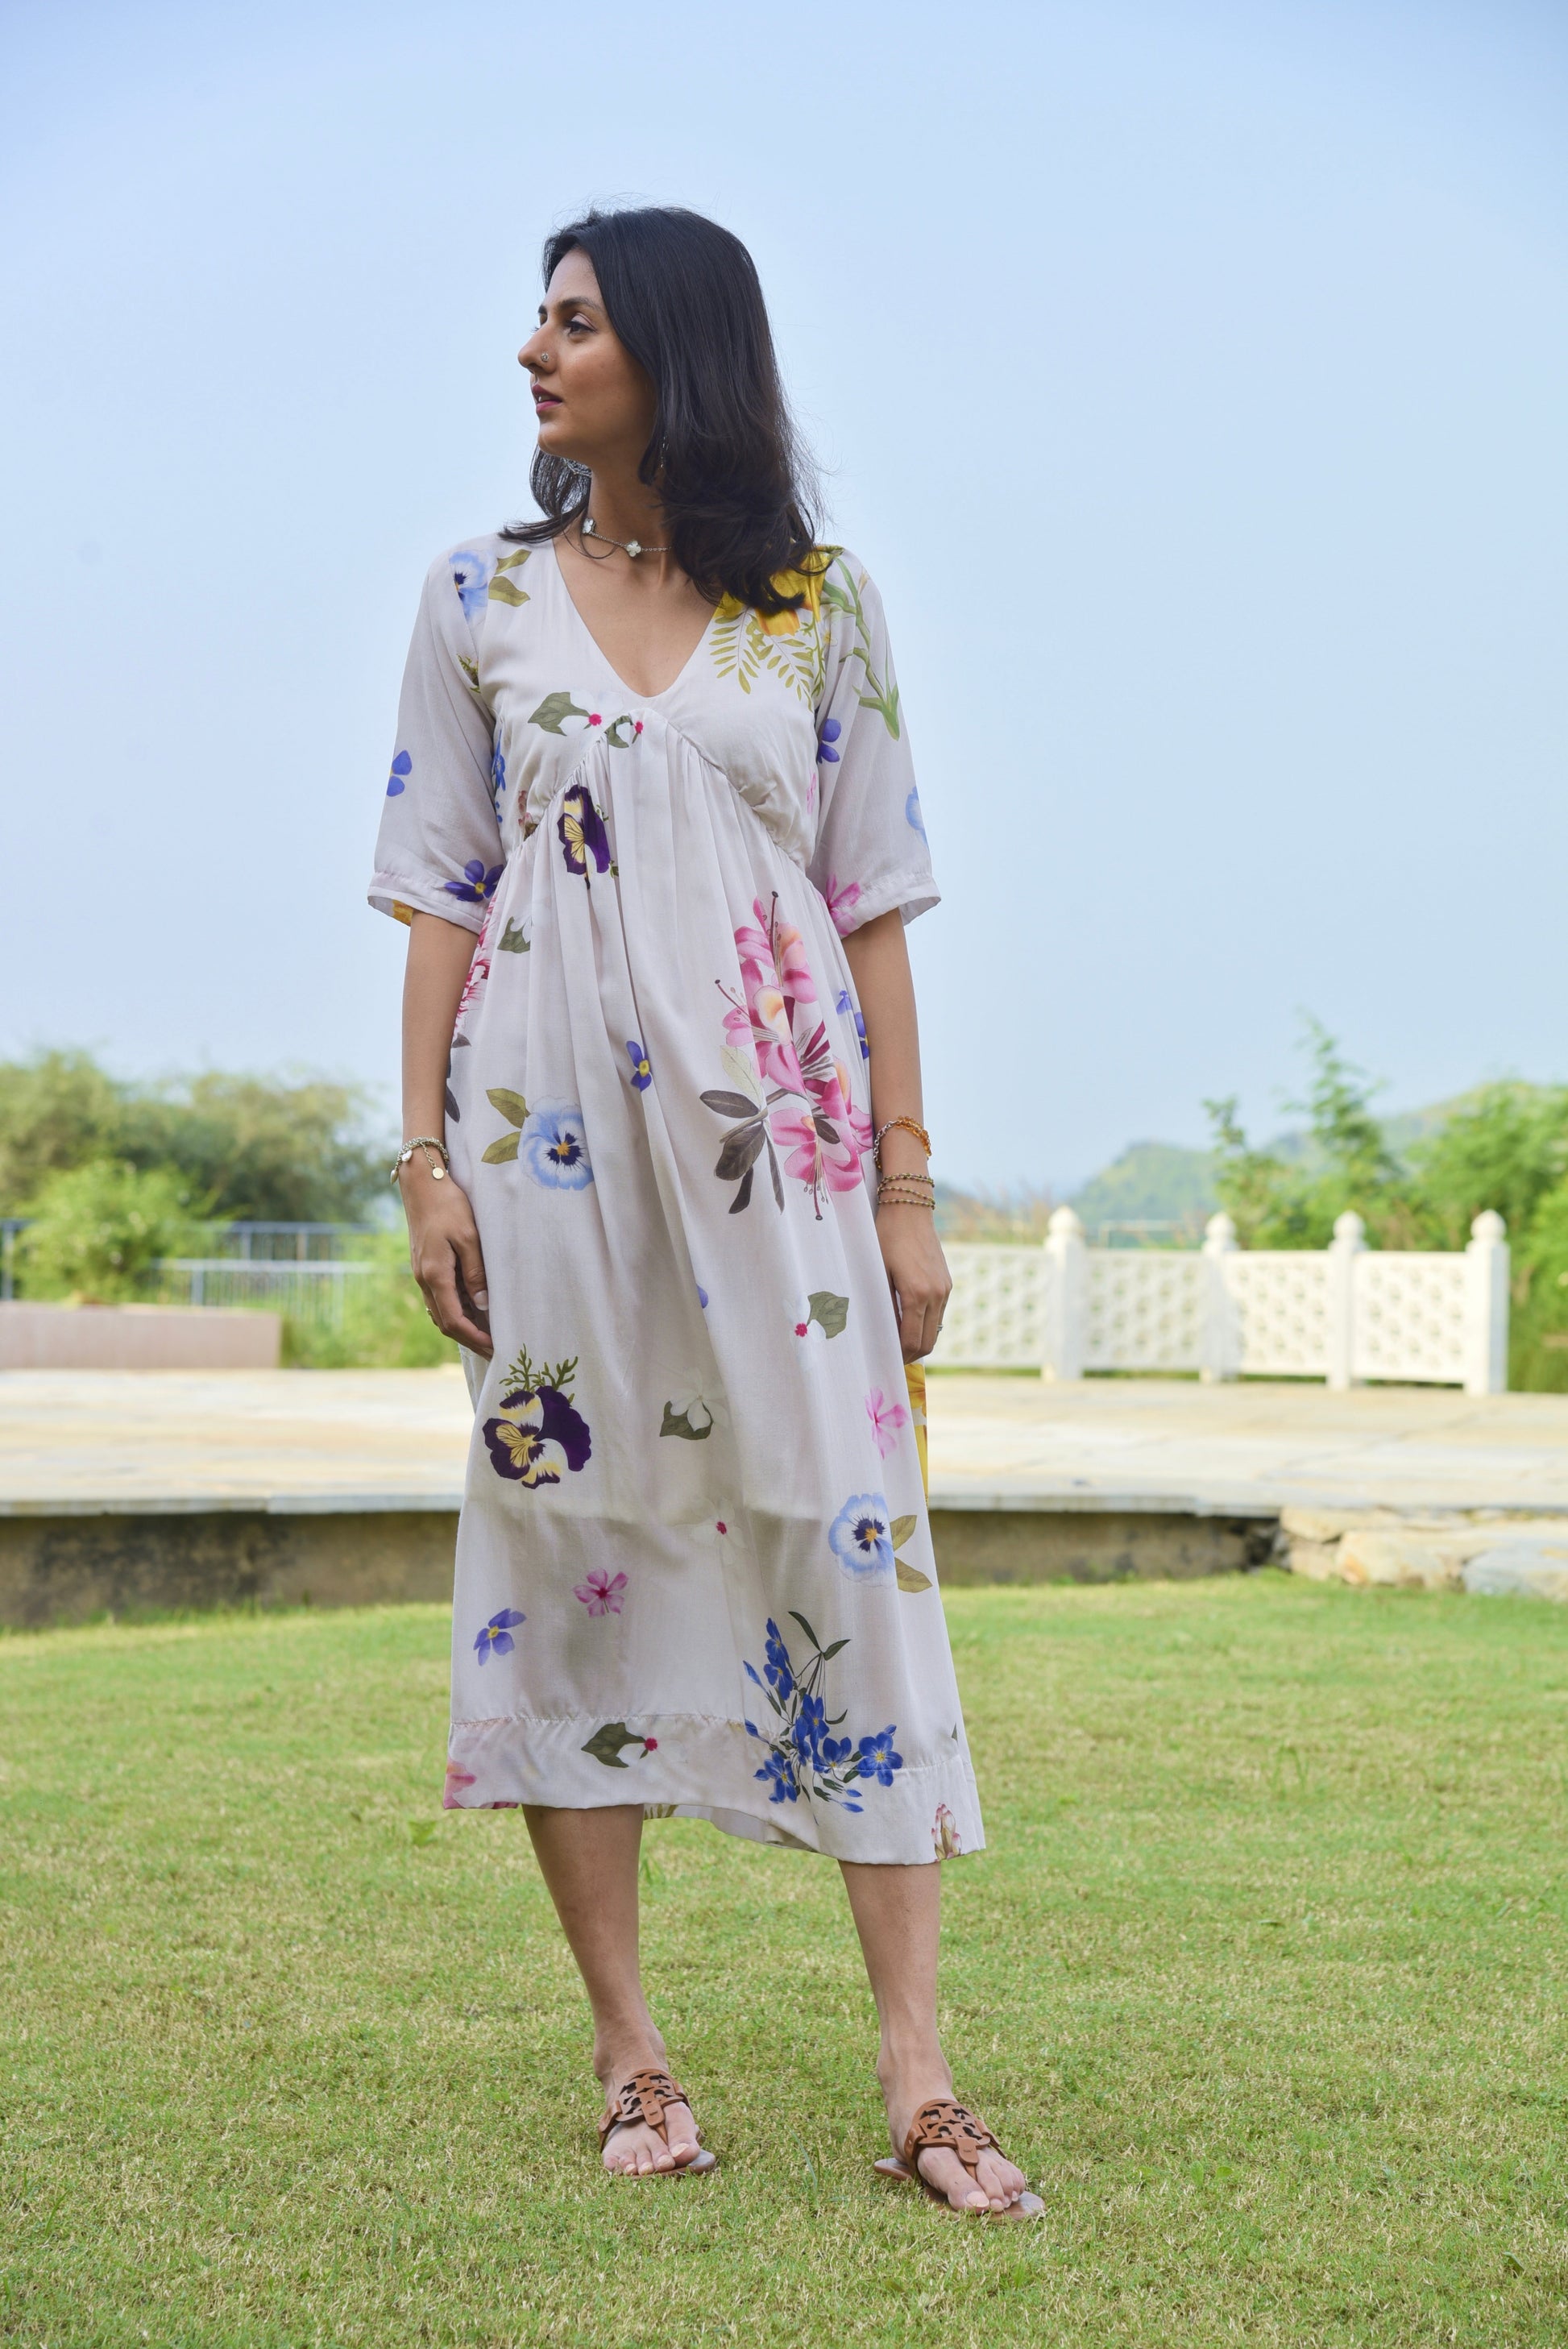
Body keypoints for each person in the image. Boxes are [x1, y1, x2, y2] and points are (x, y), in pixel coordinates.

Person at [370, 205, 1039, 2219]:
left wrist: (907, 1190)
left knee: (845, 1543)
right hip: (542, 1150)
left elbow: (876, 907)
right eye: (538, 319)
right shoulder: (477, 595)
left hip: (786, 1148)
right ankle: (630, 2054)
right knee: (569, 1541)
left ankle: (919, 2075)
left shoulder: (818, 606)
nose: (534, 351)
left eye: (573, 322)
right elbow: (438, 892)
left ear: (676, 348)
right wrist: (423, 1165)